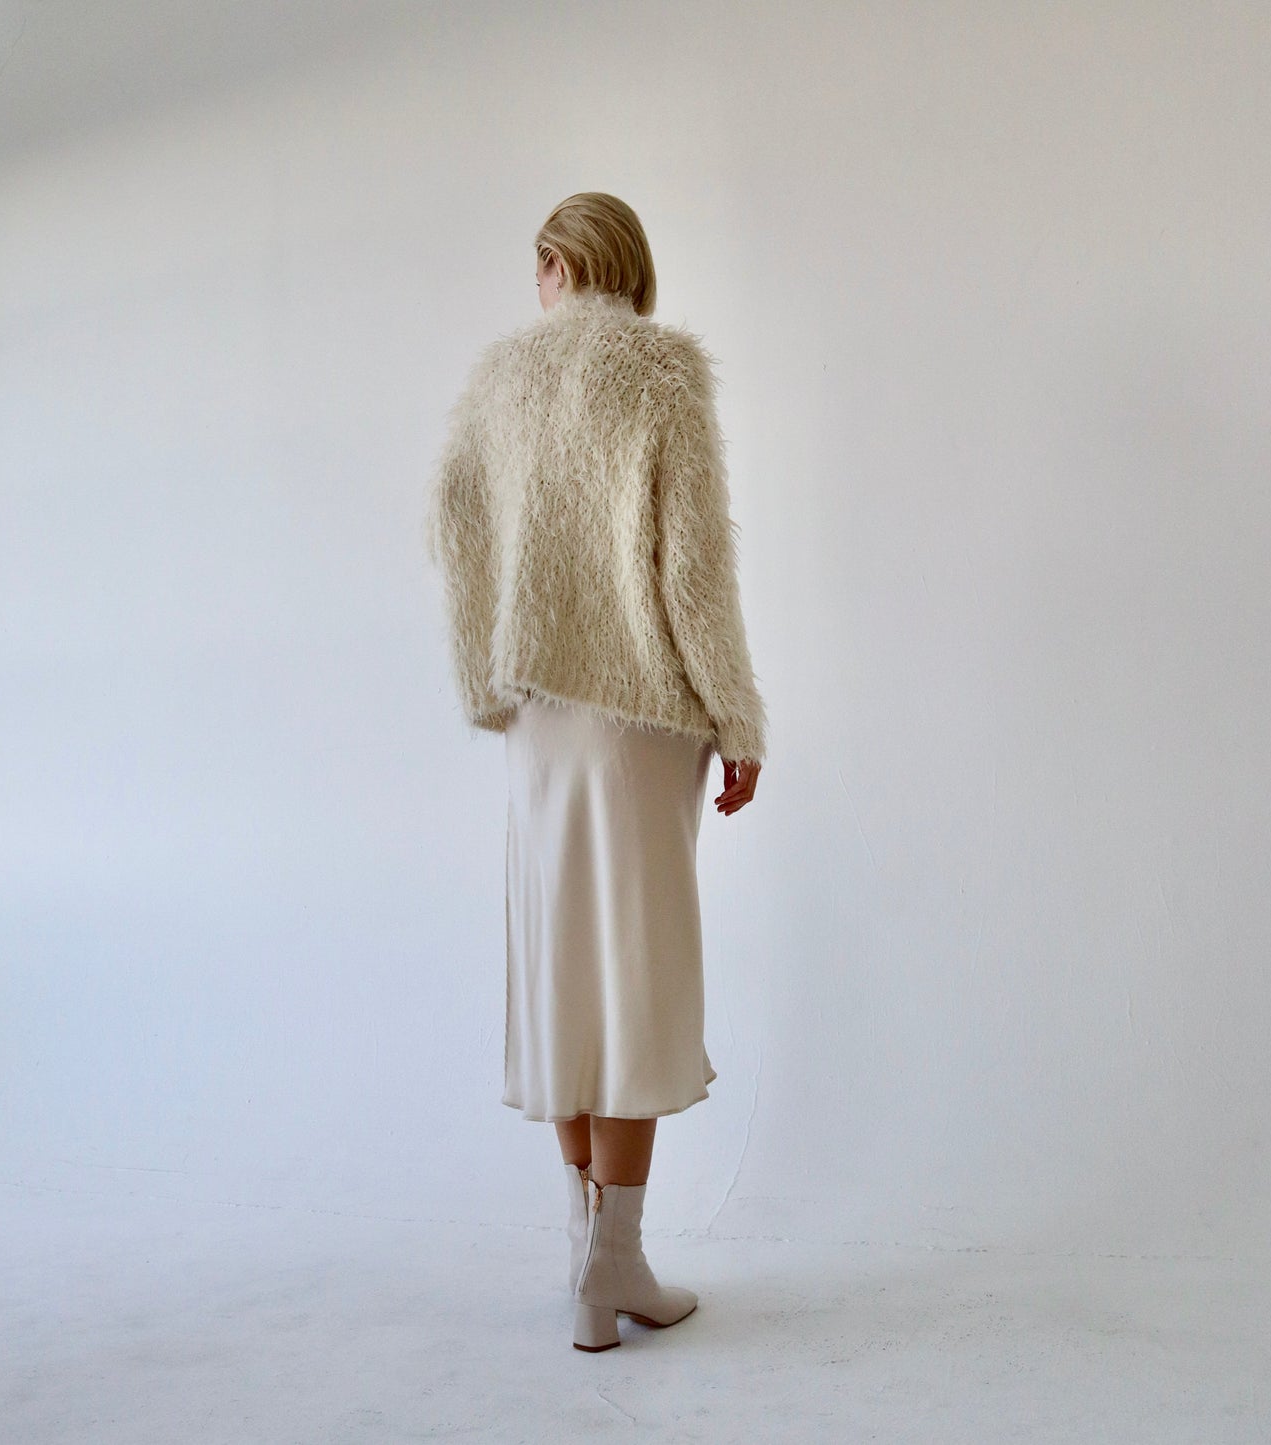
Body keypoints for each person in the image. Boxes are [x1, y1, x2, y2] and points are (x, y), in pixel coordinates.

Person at [424, 192, 768, 1351]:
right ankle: (612, 1257)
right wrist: (735, 716)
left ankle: (586, 1254)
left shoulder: (497, 380)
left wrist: (489, 683)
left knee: (565, 970)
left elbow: (454, 533)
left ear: (553, 265)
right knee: (633, 973)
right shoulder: (661, 373)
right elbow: (693, 567)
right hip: (639, 720)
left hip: (541, 721)